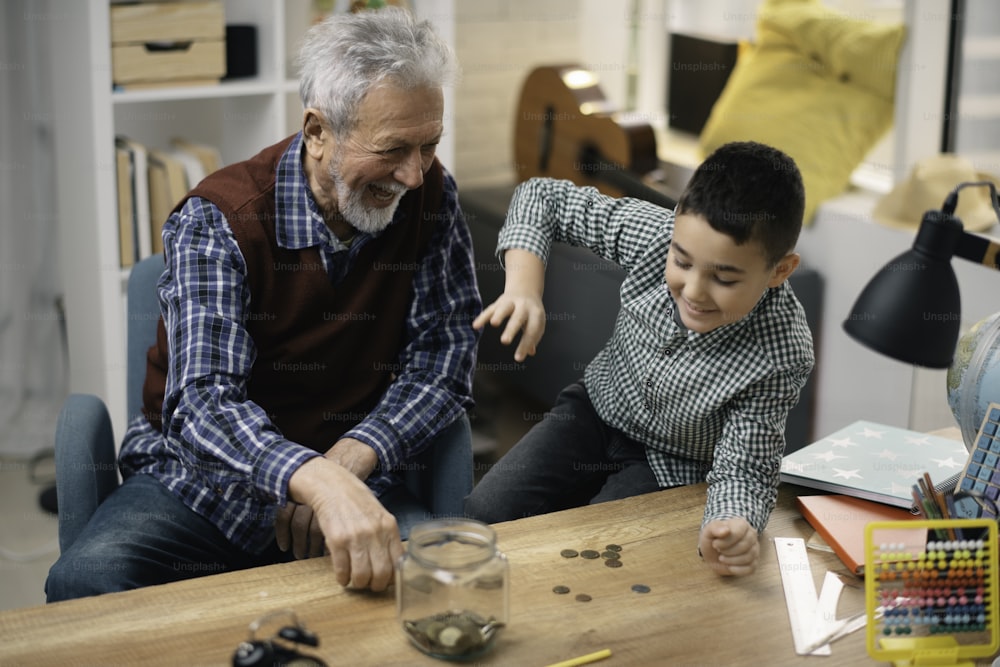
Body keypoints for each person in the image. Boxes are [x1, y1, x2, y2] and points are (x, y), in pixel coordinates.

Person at [46, 7, 480, 600]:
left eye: (429, 144)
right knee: (85, 582)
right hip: (201, 488)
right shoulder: (219, 218)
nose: (413, 173)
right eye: (392, 149)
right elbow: (203, 405)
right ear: (318, 131)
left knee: (442, 591)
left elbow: (445, 354)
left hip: (361, 472)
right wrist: (310, 480)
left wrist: (351, 461)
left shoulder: (432, 195)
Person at [465, 141, 814, 576]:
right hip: (595, 410)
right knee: (483, 515)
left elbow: (745, 466)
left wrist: (734, 523)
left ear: (781, 270)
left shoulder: (783, 351)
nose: (694, 291)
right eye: (681, 262)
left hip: (672, 462)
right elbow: (542, 197)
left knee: (593, 555)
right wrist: (523, 288)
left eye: (724, 278)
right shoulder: (653, 233)